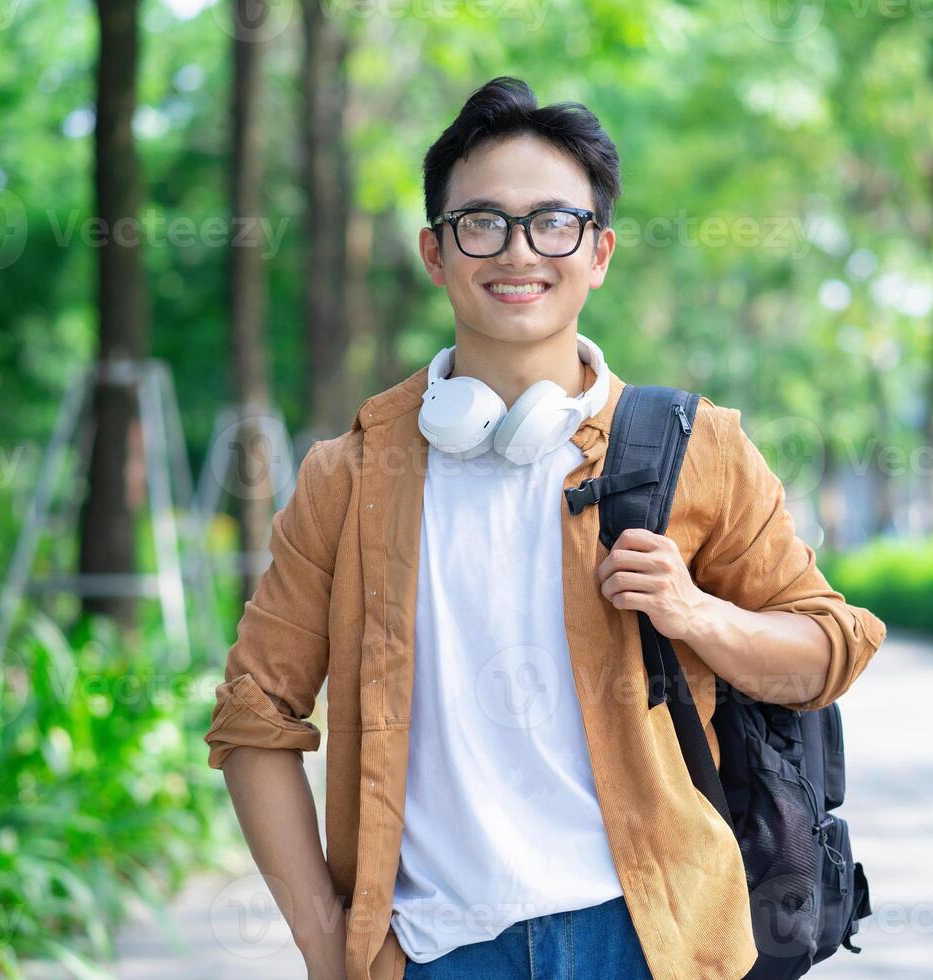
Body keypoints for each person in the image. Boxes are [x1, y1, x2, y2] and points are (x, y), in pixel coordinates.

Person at [203, 75, 887, 980]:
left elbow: (830, 648)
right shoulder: (351, 476)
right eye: (480, 222)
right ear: (435, 253)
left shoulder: (699, 448)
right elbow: (255, 716)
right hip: (435, 952)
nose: (518, 250)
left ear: (597, 251)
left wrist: (696, 616)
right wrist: (328, 948)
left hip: (654, 939)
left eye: (552, 222)